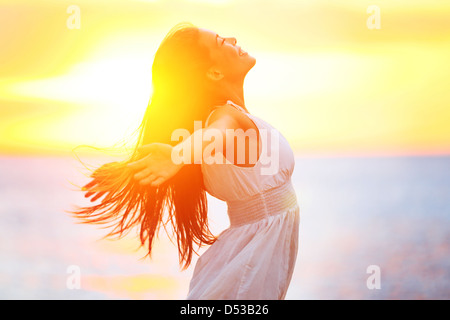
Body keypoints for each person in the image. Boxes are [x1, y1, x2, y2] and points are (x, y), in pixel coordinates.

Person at [75, 22, 300, 299]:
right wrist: (177, 155)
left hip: (246, 261)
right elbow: (214, 135)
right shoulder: (226, 118)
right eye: (221, 41)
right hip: (248, 268)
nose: (232, 38)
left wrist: (162, 160)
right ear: (215, 72)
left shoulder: (226, 118)